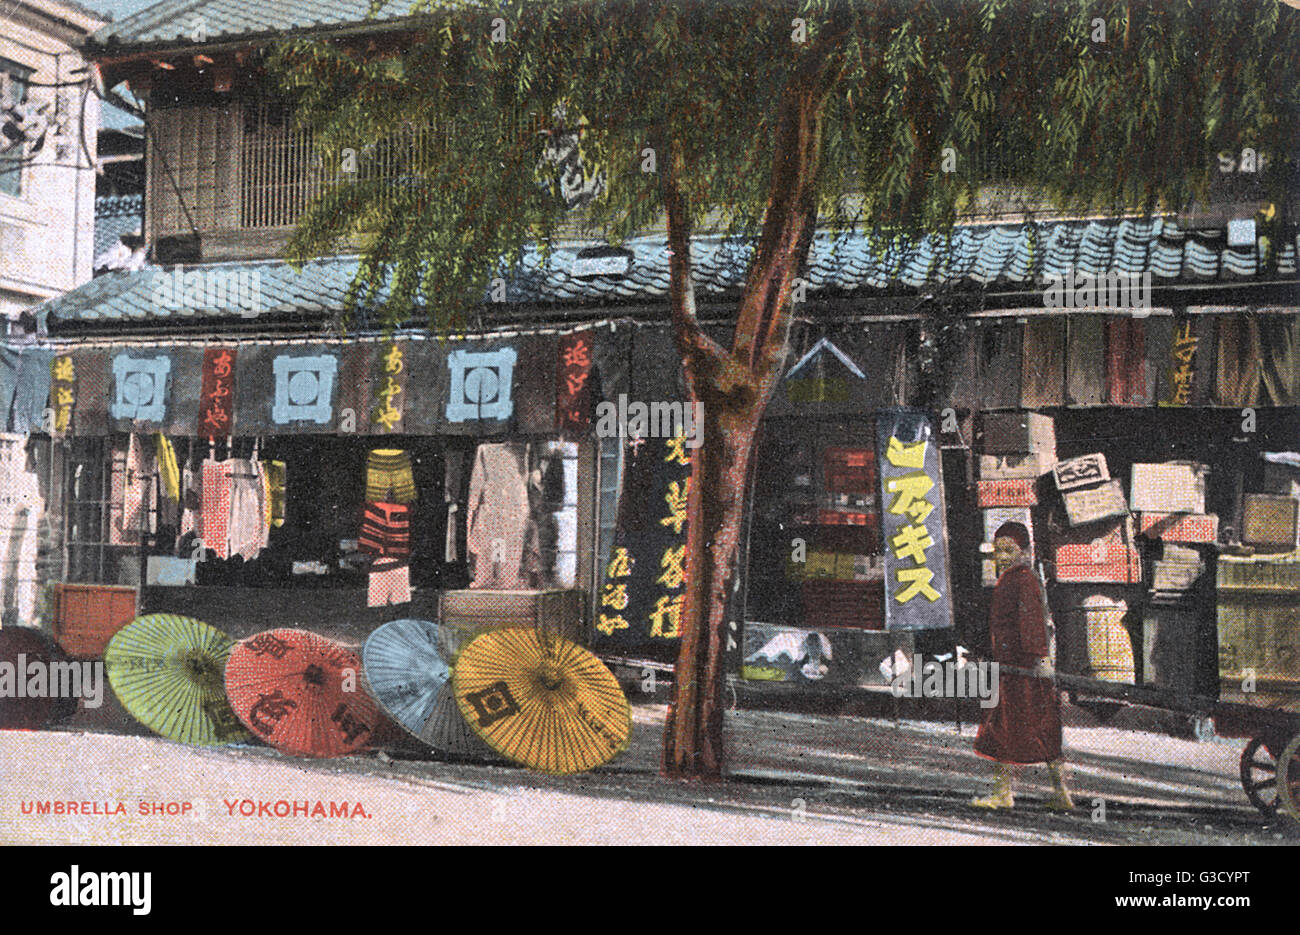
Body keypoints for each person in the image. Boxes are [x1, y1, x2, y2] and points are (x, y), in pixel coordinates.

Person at [970, 521, 1073, 811]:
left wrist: (1040, 658)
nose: (1002, 556)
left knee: (1007, 728)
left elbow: (1032, 623)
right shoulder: (1011, 579)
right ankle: (1060, 793)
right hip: (1014, 667)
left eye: (1009, 550)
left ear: (1024, 551)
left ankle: (1004, 794)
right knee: (1041, 729)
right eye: (998, 550)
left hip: (1024, 669)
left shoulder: (1023, 579)